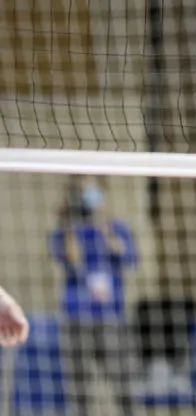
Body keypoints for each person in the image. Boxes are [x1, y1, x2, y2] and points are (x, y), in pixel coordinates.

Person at [48, 176, 138, 416]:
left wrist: (105, 227)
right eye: (83, 192)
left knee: (124, 385)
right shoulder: (65, 230)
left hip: (111, 318)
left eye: (93, 191)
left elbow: (128, 258)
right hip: (77, 318)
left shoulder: (118, 227)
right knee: (79, 391)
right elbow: (71, 260)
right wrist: (68, 225)